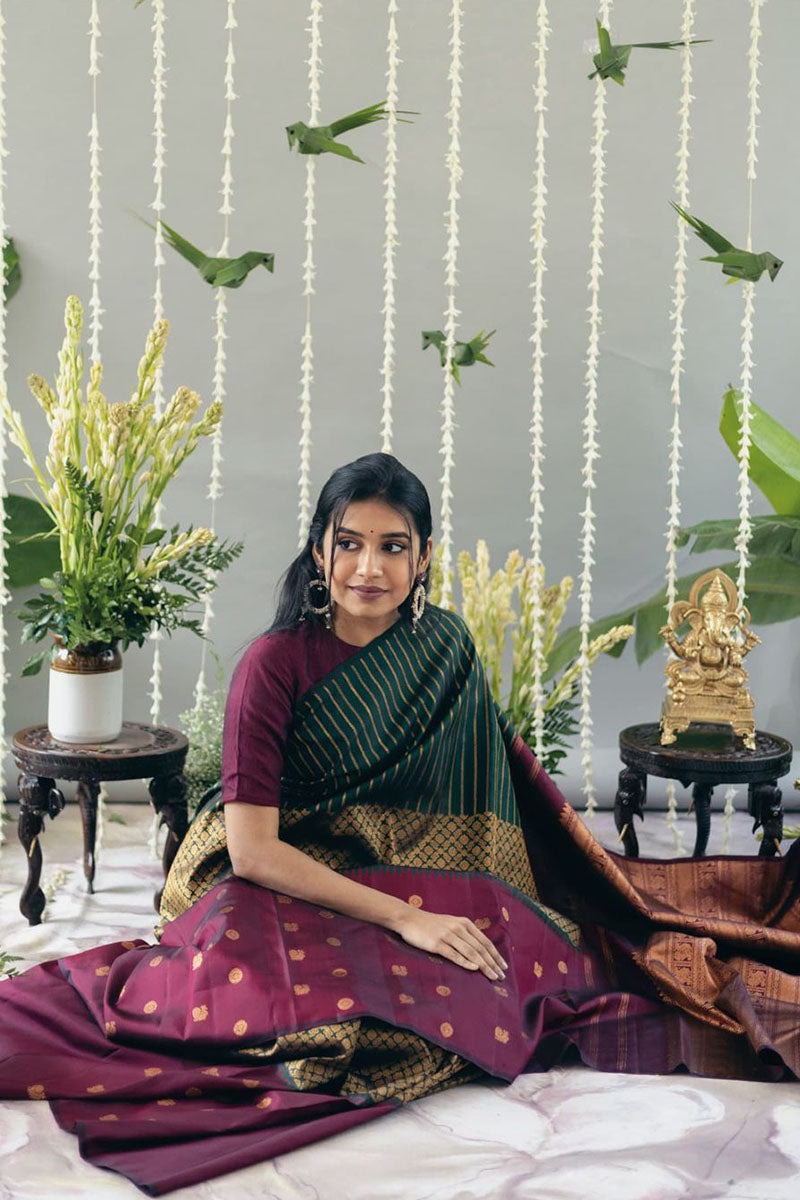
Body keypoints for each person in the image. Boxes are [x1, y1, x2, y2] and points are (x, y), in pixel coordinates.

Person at [1, 451, 799, 1198]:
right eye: (348, 543)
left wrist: (454, 910)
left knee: (478, 986)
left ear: (423, 559)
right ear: (319, 552)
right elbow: (251, 850)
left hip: (408, 877)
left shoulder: (444, 646)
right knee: (253, 994)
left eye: (392, 546)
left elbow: (485, 801)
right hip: (269, 873)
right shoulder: (273, 665)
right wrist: (408, 919)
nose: (368, 568)